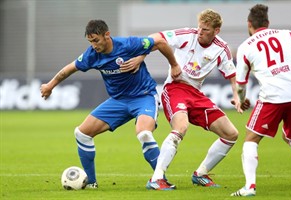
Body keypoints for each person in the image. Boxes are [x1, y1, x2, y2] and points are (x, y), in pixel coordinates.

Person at [40, 19, 181, 188]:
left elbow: (160, 42)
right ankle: (91, 183)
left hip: (143, 97)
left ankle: (159, 179)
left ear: (107, 35)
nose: (93, 45)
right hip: (118, 101)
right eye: (90, 41)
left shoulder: (128, 45)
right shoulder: (91, 55)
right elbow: (69, 69)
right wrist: (50, 85)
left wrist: (172, 64)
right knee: (82, 134)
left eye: (96, 40)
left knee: (144, 133)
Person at [126, 9, 249, 190]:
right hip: (175, 88)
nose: (200, 32)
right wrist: (140, 56)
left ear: (216, 31)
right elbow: (155, 39)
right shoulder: (187, 34)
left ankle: (201, 174)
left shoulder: (221, 48)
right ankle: (156, 178)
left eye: (205, 30)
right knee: (181, 127)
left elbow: (232, 75)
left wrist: (238, 97)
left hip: (196, 94)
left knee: (231, 134)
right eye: (199, 27)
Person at [230, 4, 291, 197]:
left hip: (273, 98)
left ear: (249, 24)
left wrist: (242, 100)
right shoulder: (289, 34)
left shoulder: (246, 46)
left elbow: (241, 84)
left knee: (250, 139)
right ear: (268, 23)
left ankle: (249, 187)